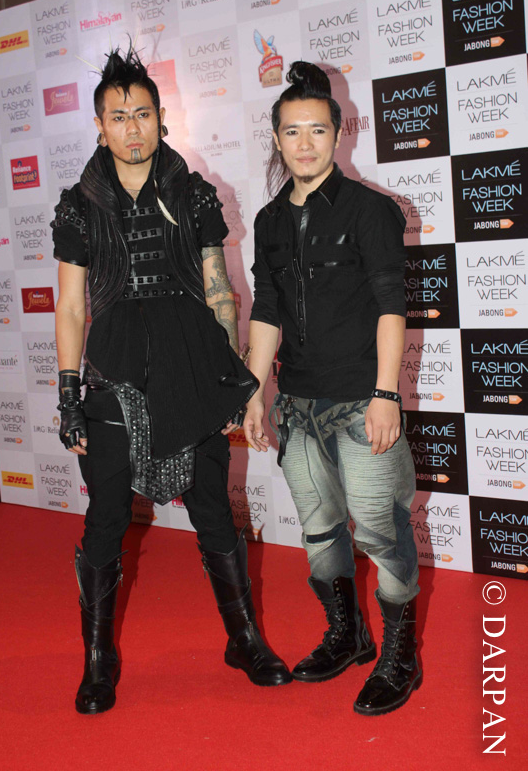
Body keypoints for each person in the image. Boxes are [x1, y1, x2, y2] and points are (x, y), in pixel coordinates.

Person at [52, 46, 291, 715]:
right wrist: (68, 393)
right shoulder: (79, 206)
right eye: (118, 116)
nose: (132, 128)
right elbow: (70, 306)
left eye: (143, 114)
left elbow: (219, 290)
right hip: (113, 368)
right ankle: (98, 658)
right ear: (100, 126)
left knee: (213, 508)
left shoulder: (192, 193)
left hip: (192, 361)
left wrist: (232, 375)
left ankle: (243, 639)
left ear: (161, 117)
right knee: (106, 517)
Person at [245, 61, 421, 716]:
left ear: (338, 133)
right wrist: (253, 391)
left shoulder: (371, 210)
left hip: (359, 403)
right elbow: (266, 309)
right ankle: (347, 636)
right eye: (292, 131)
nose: (305, 143)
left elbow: (390, 305)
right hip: (296, 407)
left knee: (381, 533)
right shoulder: (268, 220)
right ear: (276, 138)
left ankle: (401, 657)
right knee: (320, 534)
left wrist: (385, 394)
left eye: (317, 130)